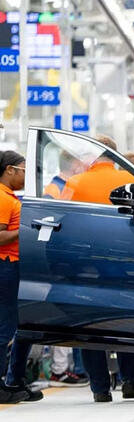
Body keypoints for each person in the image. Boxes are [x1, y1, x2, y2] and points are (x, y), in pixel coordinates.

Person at [60, 135, 134, 402]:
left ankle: (100, 388)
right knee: (127, 320)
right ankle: (131, 380)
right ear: (115, 155)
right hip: (126, 262)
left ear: (92, 155)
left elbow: (63, 222)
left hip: (86, 264)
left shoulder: (75, 183)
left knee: (91, 323)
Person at [0, 151, 42, 404]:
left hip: (12, 265)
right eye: (24, 170)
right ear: (10, 170)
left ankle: (11, 381)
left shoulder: (9, 197)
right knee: (4, 328)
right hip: (5, 265)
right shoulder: (3, 199)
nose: (27, 176)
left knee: (12, 326)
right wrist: (24, 229)